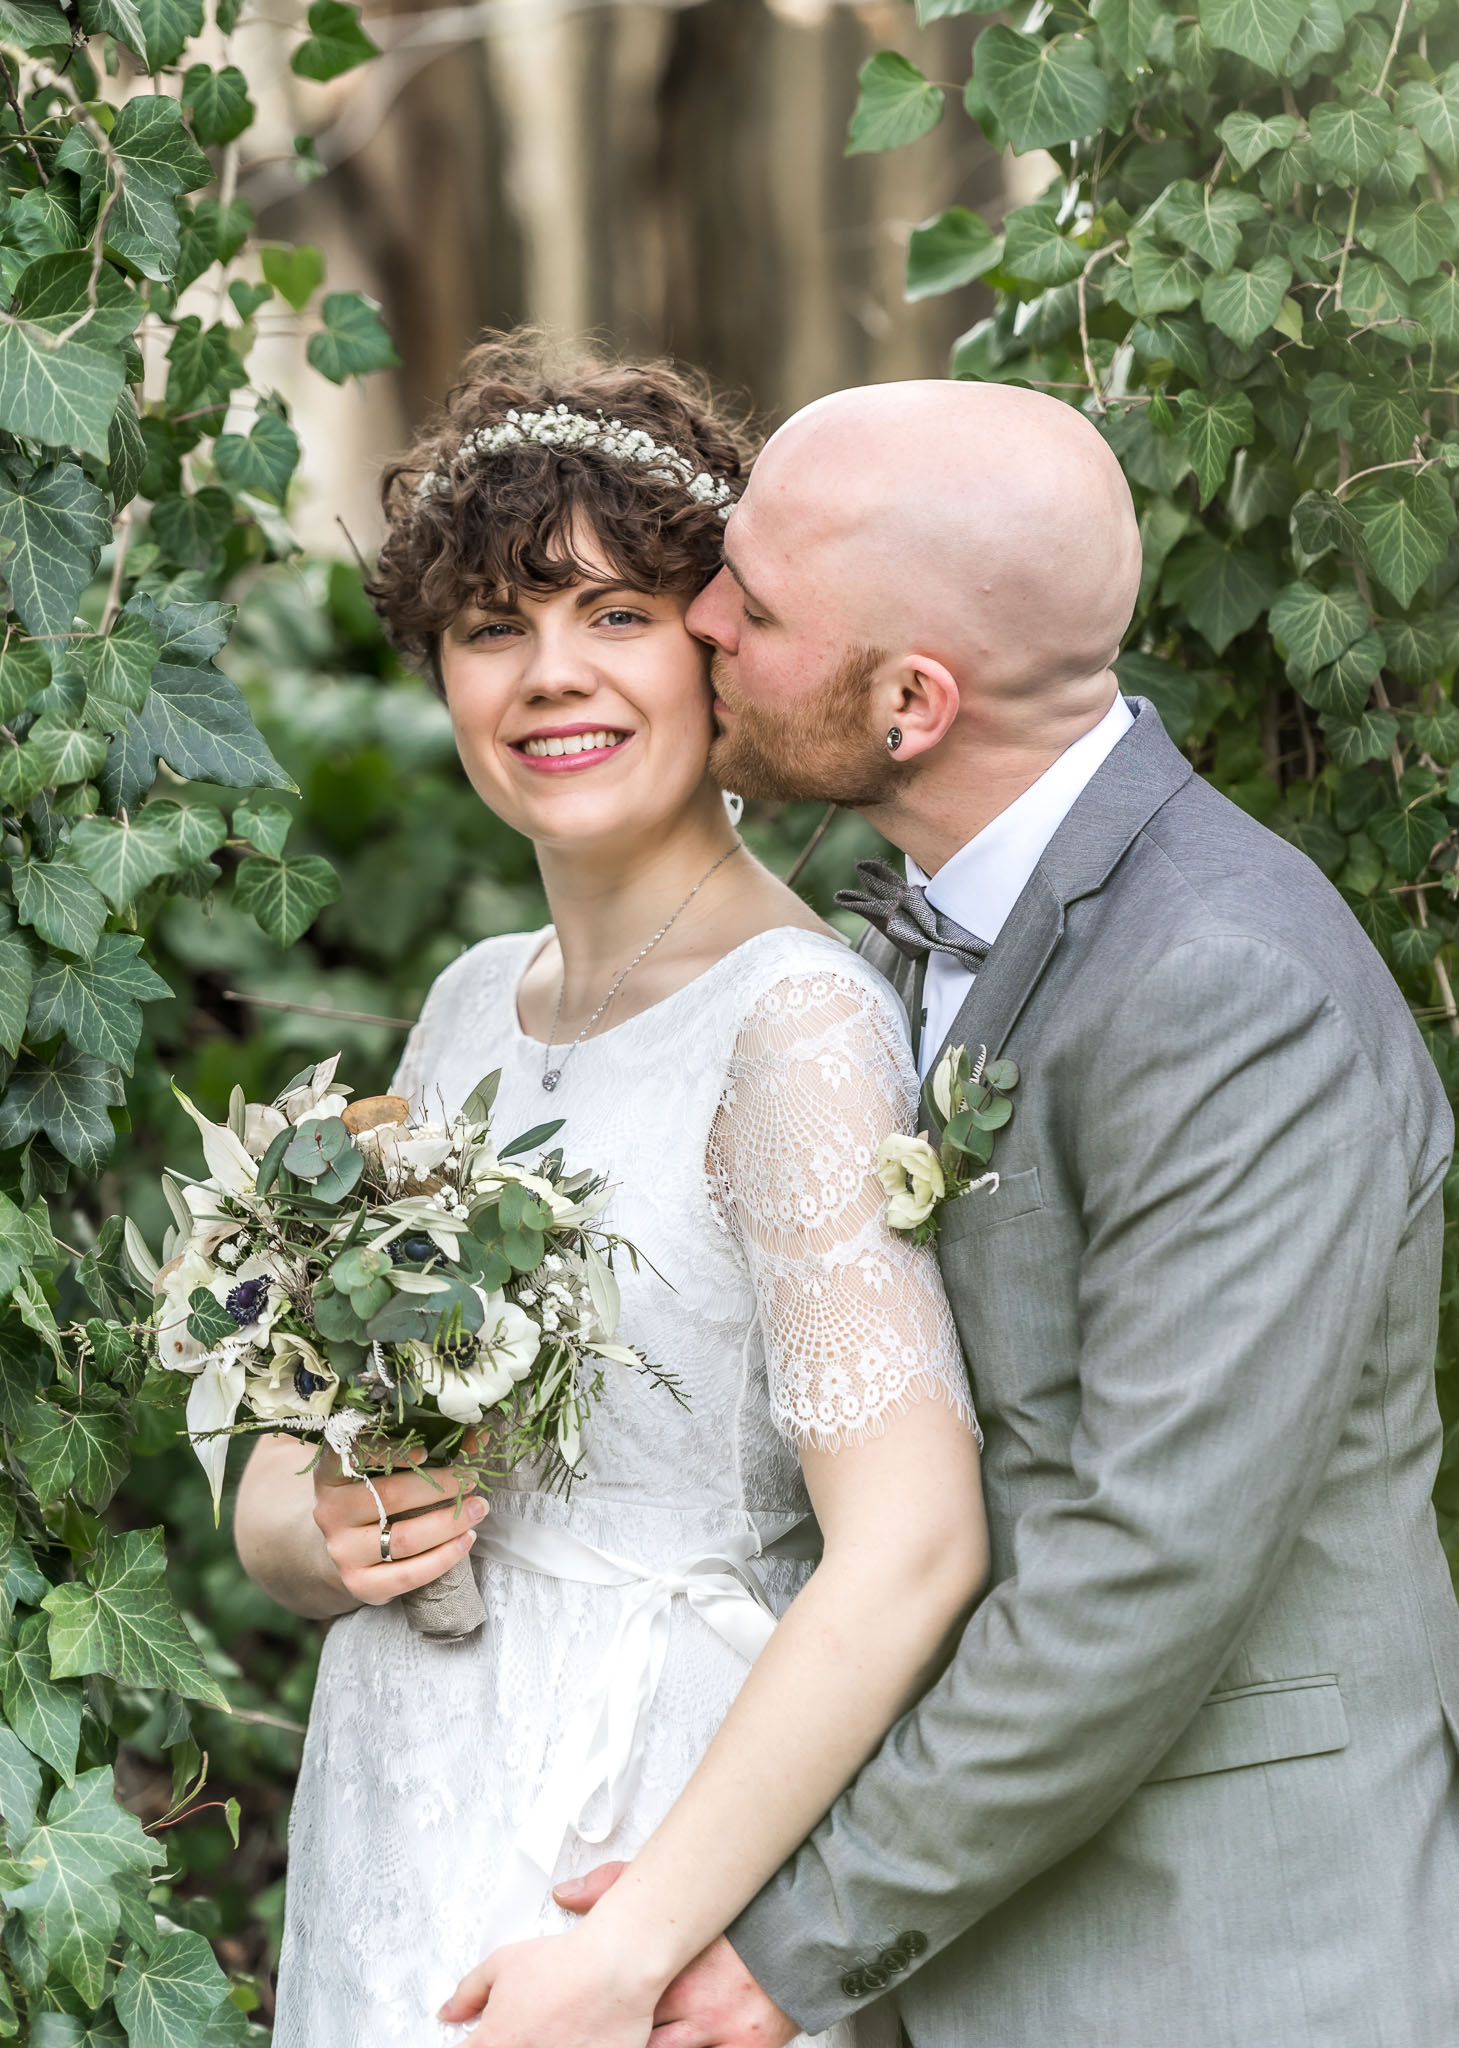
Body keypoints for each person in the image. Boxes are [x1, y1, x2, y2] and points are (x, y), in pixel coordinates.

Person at [553, 379, 1459, 2048]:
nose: (697, 619)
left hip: (1227, 1954)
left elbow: (1149, 1563)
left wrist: (784, 1950)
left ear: (912, 702)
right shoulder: (916, 935)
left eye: (750, 607)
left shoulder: (1223, 988)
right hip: (982, 1926)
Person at [229, 336, 989, 2048]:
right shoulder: (464, 1005)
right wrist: (324, 1528)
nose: (549, 678)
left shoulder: (794, 1026)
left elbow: (916, 1544)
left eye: (615, 616)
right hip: (400, 1798)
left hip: (640, 1838)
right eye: (495, 629)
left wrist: (636, 1945)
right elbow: (283, 1493)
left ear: (717, 645)